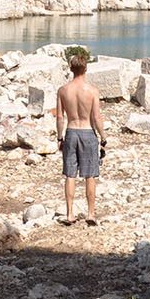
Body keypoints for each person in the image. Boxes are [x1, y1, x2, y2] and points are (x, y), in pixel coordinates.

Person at [55, 52, 107, 226]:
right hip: (87, 132)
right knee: (89, 175)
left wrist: (59, 137)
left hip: (71, 132)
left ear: (71, 69)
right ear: (85, 69)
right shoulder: (92, 91)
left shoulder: (63, 90)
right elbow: (96, 117)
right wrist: (103, 136)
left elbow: (60, 118)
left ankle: (70, 213)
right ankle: (91, 213)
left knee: (70, 175)